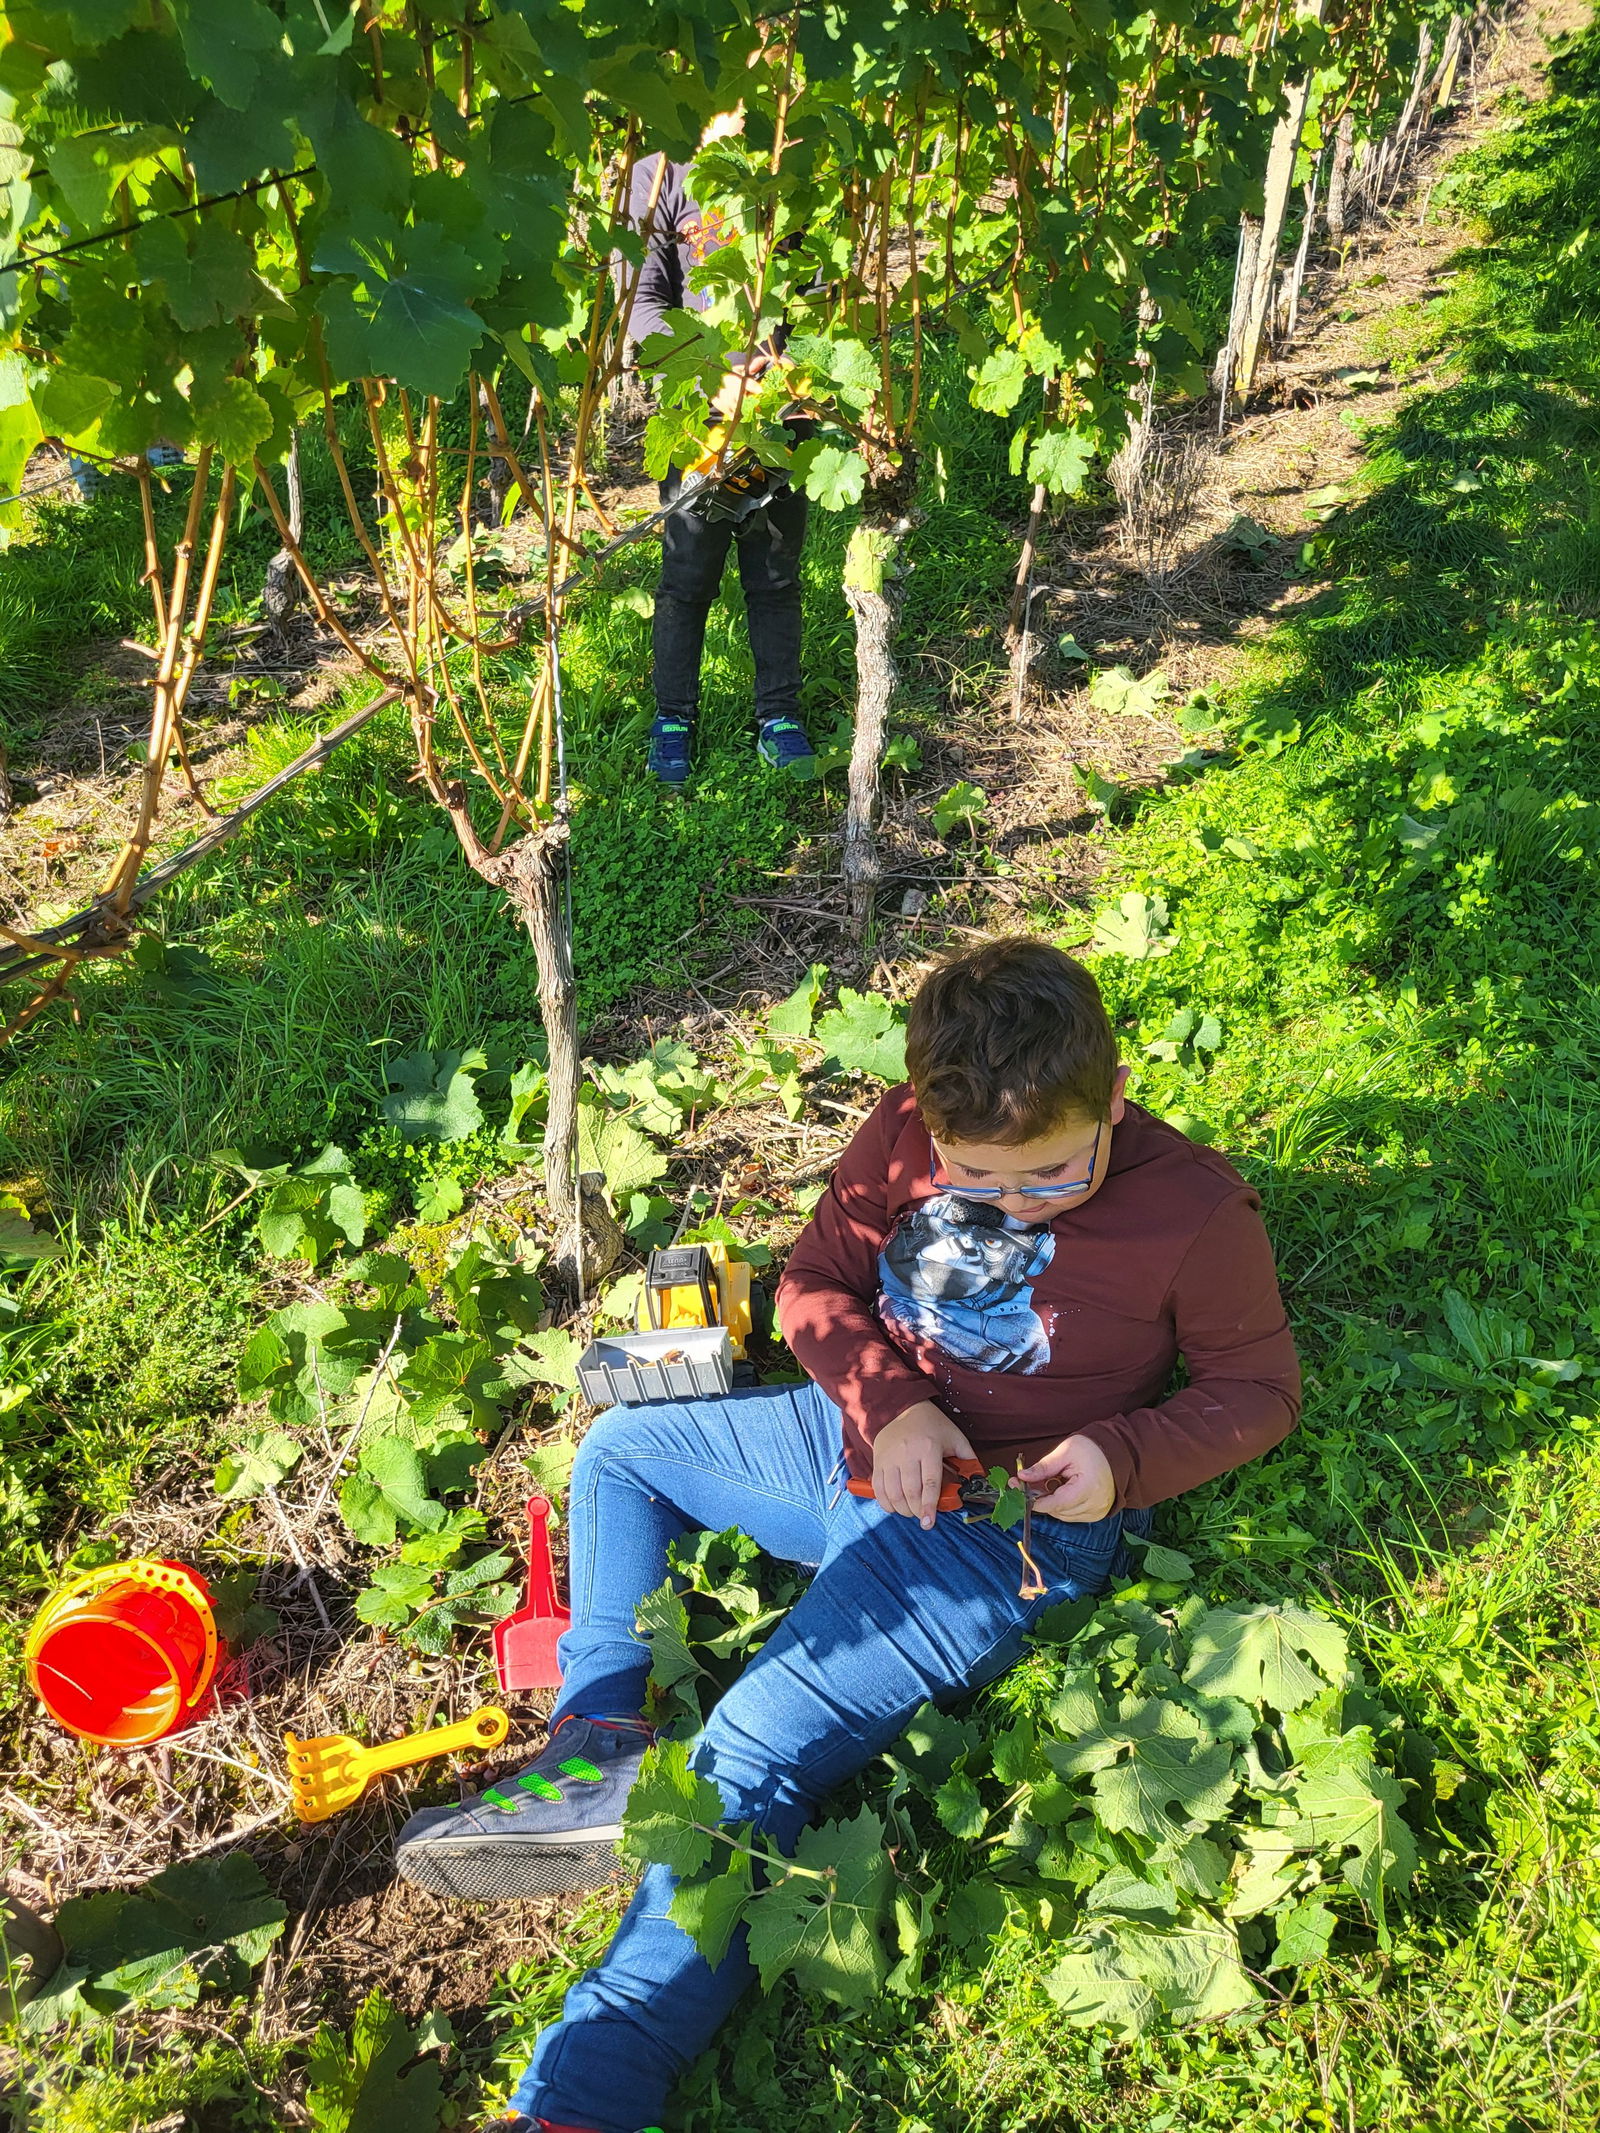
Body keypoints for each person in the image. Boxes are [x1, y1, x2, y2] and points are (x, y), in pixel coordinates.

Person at [395, 937, 1301, 2133]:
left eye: (1047, 1180)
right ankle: (601, 1725)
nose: (1004, 1204)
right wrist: (890, 1400)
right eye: (974, 1177)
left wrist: (1123, 1462)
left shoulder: (1192, 1210)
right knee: (622, 1450)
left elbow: (1257, 1390)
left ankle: (582, 2097)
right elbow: (815, 1281)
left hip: (997, 1529)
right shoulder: (899, 1136)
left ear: (1115, 1100)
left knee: (746, 1755)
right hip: (854, 1448)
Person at [622, 144, 816, 788]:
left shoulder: (788, 158)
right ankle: (673, 719)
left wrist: (789, 374)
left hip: (783, 414)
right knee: (686, 575)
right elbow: (643, 305)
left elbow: (820, 293)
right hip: (698, 419)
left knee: (775, 575)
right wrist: (712, 377)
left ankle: (779, 716)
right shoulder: (658, 177)